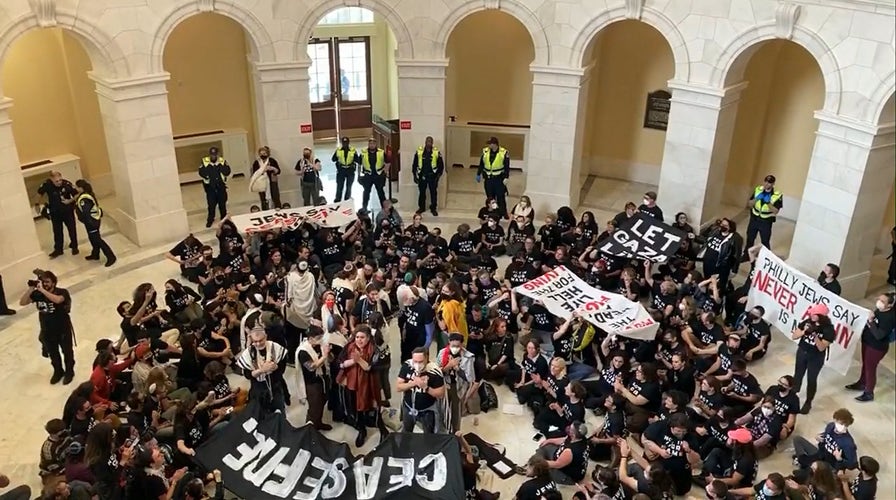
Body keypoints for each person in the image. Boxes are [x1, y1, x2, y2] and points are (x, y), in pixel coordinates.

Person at [20, 271, 75, 384]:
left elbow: (58, 300)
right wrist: (31, 289)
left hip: (62, 329)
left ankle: (69, 371)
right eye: (43, 282)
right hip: (47, 330)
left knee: (67, 352)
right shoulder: (37, 294)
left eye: (47, 282)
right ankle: (58, 371)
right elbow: (23, 302)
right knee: (53, 353)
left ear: (54, 283)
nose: (45, 284)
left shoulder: (62, 292)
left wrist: (43, 291)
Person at [336, 326, 388, 447]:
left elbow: (371, 367)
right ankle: (361, 429)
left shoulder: (374, 350)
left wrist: (359, 360)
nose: (359, 340)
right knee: (355, 408)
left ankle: (383, 431)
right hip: (352, 384)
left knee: (374, 407)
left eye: (362, 337)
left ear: (368, 338)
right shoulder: (349, 347)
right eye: (357, 337)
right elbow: (340, 363)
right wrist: (353, 361)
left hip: (369, 384)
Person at [845, 292, 895, 402]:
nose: (879, 302)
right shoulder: (880, 311)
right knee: (866, 364)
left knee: (870, 368)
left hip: (876, 347)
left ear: (889, 305)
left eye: (883, 301)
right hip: (867, 341)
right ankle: (862, 383)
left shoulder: (889, 318)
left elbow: (879, 335)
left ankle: (869, 392)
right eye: (879, 299)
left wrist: (871, 321)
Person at [791, 303, 835, 414]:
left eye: (814, 314)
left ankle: (808, 402)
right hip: (802, 352)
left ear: (821, 316)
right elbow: (794, 336)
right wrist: (804, 332)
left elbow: (821, 348)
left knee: (811, 379)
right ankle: (793, 393)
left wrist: (815, 336)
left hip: (816, 357)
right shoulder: (807, 322)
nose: (811, 314)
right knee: (797, 374)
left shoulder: (828, 330)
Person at [235, 326, 289, 416]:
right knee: (260, 415)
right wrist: (261, 370)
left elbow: (282, 367)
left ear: (266, 337)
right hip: (258, 389)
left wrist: (275, 367)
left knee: (279, 413)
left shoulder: (275, 347)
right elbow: (247, 375)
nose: (258, 344)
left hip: (275, 385)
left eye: (261, 340)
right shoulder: (248, 353)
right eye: (255, 341)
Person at [397, 347, 446, 434]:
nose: (417, 364)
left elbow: (441, 394)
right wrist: (413, 383)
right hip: (408, 407)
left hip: (427, 411)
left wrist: (426, 388)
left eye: (420, 362)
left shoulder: (434, 371)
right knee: (406, 433)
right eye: (415, 361)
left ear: (427, 359)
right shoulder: (407, 366)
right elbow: (398, 387)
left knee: (429, 435)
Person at [793, 408, 858, 472]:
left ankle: (805, 465)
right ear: (835, 420)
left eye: (846, 425)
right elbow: (825, 436)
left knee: (807, 471)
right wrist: (818, 437)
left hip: (831, 466)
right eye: (841, 424)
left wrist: (839, 459)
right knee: (797, 439)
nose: (843, 427)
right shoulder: (830, 426)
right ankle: (805, 463)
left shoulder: (848, 443)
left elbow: (852, 465)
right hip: (821, 455)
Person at [438, 333, 479, 433]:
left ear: (461, 345)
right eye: (453, 346)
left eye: (457, 346)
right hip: (445, 384)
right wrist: (449, 365)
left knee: (456, 411)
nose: (454, 348)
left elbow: (470, 378)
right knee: (442, 409)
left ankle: (455, 432)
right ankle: (443, 430)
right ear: (449, 343)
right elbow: (437, 372)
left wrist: (457, 369)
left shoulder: (468, 357)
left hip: (458, 387)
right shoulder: (442, 353)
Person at [296, 327, 333, 431]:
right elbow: (311, 367)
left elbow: (331, 359)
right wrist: (324, 356)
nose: (321, 339)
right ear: (311, 338)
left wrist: (328, 353)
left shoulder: (319, 346)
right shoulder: (303, 351)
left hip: (322, 378)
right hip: (311, 383)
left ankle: (318, 423)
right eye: (318, 338)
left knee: (322, 402)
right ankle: (310, 430)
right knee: (314, 406)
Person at [73, 179, 116, 267]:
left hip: (91, 222)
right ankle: (95, 254)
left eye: (77, 187)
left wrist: (89, 222)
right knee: (92, 238)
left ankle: (111, 256)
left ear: (81, 188)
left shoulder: (84, 199)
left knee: (97, 239)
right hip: (91, 221)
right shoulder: (85, 195)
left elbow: (86, 212)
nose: (75, 188)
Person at [39, 171, 79, 258]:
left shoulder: (66, 184)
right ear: (51, 180)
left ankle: (75, 247)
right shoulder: (47, 185)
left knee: (72, 229)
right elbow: (39, 193)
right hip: (55, 212)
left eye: (60, 180)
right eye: (56, 181)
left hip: (67, 211)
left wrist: (69, 201)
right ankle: (58, 250)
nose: (59, 182)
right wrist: (37, 204)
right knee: (57, 232)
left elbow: (76, 194)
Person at [536, 421, 590, 486]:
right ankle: (533, 462)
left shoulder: (570, 451)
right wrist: (549, 440)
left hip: (566, 476)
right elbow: (564, 440)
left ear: (573, 434)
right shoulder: (581, 438)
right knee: (546, 446)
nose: (568, 428)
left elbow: (557, 464)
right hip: (561, 458)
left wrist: (539, 463)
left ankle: (532, 466)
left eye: (570, 428)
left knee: (542, 470)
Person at [743, 174, 782, 255]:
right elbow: (749, 204)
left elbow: (776, 211)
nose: (767, 184)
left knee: (765, 242)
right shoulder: (758, 190)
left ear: (773, 184)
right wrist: (757, 198)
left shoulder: (777, 195)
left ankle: (766, 257)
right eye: (766, 182)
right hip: (754, 219)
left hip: (766, 221)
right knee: (750, 238)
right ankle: (746, 255)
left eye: (769, 183)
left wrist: (768, 203)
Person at [476, 136, 510, 218]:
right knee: (490, 197)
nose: (489, 146)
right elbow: (481, 164)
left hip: (499, 178)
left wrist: (506, 177)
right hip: (488, 178)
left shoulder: (503, 152)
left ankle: (503, 212)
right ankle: (494, 213)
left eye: (490, 144)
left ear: (495, 144)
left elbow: (507, 166)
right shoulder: (485, 151)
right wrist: (478, 173)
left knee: (500, 196)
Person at [198, 146, 231, 228]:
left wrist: (219, 166)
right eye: (212, 155)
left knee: (222, 204)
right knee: (211, 205)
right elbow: (201, 172)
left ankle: (223, 219)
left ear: (217, 154)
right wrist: (210, 169)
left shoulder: (222, 161)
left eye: (215, 155)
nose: (213, 156)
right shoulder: (204, 161)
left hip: (220, 186)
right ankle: (210, 219)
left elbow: (227, 171)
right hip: (210, 187)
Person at [412, 136, 444, 216]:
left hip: (432, 177)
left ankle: (433, 208)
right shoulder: (419, 152)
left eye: (430, 142)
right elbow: (414, 164)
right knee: (422, 193)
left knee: (433, 193)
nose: (429, 143)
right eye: (427, 141)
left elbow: (441, 166)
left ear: (432, 143)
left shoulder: (436, 152)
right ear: (425, 142)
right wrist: (414, 176)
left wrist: (438, 177)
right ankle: (421, 207)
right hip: (422, 176)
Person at [357, 137, 389, 211]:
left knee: (381, 192)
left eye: (373, 144)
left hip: (378, 175)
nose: (372, 145)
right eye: (370, 143)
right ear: (368, 144)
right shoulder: (363, 152)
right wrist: (358, 176)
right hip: (368, 175)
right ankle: (364, 208)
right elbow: (359, 164)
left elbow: (387, 162)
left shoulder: (381, 152)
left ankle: (384, 208)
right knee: (366, 192)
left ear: (376, 144)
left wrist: (385, 172)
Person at [332, 136, 357, 202]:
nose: (345, 144)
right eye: (344, 143)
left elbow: (357, 160)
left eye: (346, 143)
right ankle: (338, 199)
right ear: (342, 143)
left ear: (348, 143)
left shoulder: (353, 150)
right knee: (339, 185)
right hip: (341, 170)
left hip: (350, 170)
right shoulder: (338, 150)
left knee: (349, 186)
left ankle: (347, 199)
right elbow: (333, 159)